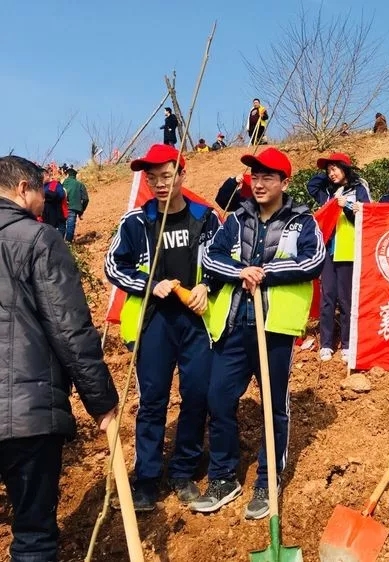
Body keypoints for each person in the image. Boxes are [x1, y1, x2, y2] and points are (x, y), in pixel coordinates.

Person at [190, 148, 325, 517]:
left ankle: (268, 480)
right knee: (218, 400)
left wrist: (265, 272)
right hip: (234, 325)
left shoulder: (301, 221)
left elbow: (314, 261)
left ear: (284, 182)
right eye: (255, 176)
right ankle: (223, 477)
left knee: (274, 406)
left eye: (268, 177)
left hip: (274, 328)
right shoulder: (237, 219)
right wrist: (240, 272)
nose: (259, 183)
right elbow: (210, 258)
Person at [0, 155, 119, 562]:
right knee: (33, 535)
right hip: (25, 415)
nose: (44, 201)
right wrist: (101, 401)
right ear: (22, 189)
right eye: (40, 191)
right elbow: (69, 329)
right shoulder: (39, 239)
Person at [104, 143, 221, 511]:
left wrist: (207, 286)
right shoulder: (137, 222)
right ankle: (147, 480)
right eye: (152, 178)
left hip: (196, 323)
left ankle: (184, 471)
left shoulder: (205, 218)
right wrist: (148, 284)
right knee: (152, 401)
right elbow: (113, 265)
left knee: (197, 396)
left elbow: (223, 260)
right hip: (154, 322)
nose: (159, 183)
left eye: (166, 176)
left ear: (182, 174)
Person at [307, 152, 371, 362]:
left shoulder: (359, 189)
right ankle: (326, 344)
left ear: (345, 168)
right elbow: (311, 186)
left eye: (335, 169)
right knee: (328, 296)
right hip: (328, 250)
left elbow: (368, 215)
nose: (331, 173)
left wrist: (348, 206)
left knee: (345, 298)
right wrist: (326, 170)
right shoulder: (327, 192)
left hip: (348, 250)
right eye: (328, 170)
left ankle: (347, 343)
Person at [61, 166, 89, 243]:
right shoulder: (80, 184)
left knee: (61, 225)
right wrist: (81, 211)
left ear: (67, 175)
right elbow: (86, 199)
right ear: (75, 175)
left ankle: (59, 242)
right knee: (71, 224)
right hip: (73, 208)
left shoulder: (63, 183)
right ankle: (68, 242)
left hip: (62, 207)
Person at [42, 166, 67, 236]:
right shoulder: (41, 186)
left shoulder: (54, 184)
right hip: (48, 214)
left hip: (55, 212)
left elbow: (61, 195)